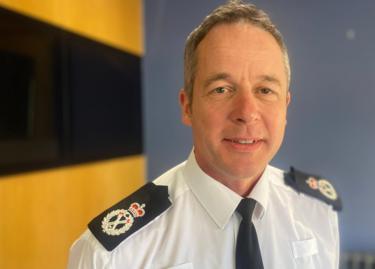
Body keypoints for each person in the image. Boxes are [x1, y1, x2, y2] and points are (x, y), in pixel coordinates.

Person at [67, 1, 341, 268]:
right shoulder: (112, 257)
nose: (246, 112)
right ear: (188, 107)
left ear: (285, 107)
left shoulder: (317, 212)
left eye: (265, 90)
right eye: (221, 89)